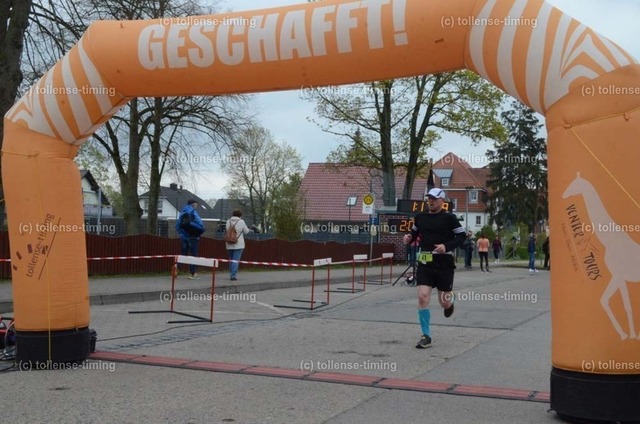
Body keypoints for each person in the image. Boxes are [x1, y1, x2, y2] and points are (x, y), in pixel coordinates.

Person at [403, 188, 466, 349]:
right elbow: (413, 234)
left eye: (434, 199)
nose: (431, 201)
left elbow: (462, 236)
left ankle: (450, 302)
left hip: (444, 263)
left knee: (443, 302)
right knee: (423, 296)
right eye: (429, 198)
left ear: (442, 201)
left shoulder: (449, 218)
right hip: (425, 262)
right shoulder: (420, 217)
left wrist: (446, 246)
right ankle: (426, 335)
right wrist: (408, 238)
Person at [176, 199, 205, 279]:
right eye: (196, 205)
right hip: (193, 236)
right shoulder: (193, 212)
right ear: (193, 204)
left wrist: (181, 233)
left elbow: (178, 225)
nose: (197, 206)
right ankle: (193, 273)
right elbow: (200, 222)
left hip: (184, 236)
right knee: (193, 255)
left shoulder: (182, 212)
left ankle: (176, 268)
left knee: (183, 254)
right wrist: (201, 229)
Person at [225, 209, 251, 281]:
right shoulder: (241, 221)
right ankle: (233, 275)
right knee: (235, 260)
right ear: (240, 215)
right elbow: (246, 232)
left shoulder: (228, 221)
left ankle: (231, 273)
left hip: (229, 243)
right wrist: (248, 229)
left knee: (231, 260)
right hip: (238, 244)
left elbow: (227, 230)